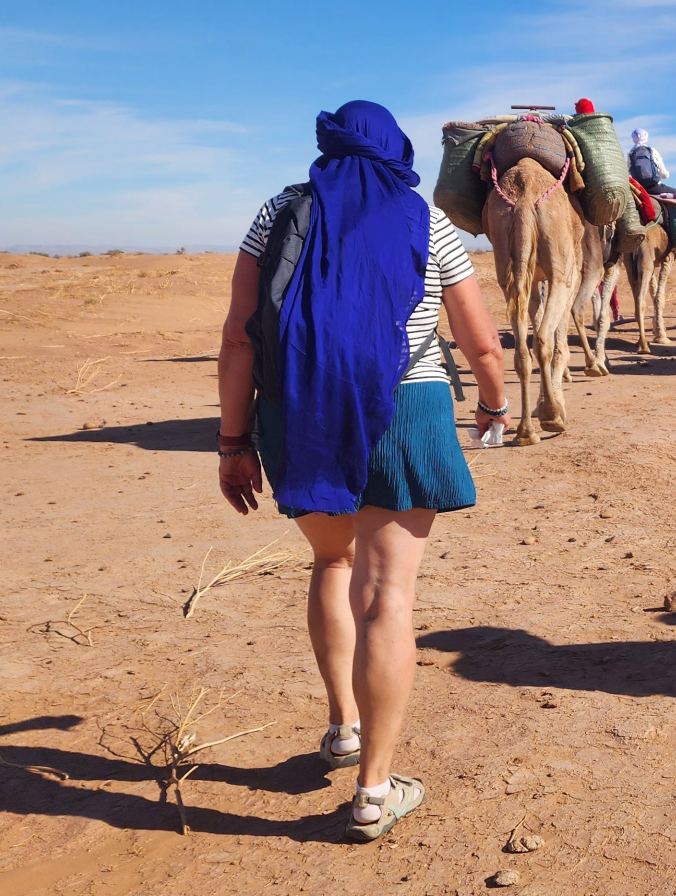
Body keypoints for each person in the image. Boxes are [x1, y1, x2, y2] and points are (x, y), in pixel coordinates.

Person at [216, 100, 510, 842]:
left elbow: (238, 341)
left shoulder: (279, 211)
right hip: (406, 409)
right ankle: (374, 790)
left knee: (330, 562)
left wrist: (232, 442)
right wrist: (494, 404)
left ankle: (342, 725)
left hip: (301, 409)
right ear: (394, 150)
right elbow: (479, 341)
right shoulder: (428, 219)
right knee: (389, 597)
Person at [628, 128, 676, 197]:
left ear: (633, 140)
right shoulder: (652, 151)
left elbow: (628, 172)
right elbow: (664, 175)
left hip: (639, 189)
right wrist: (667, 174)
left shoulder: (630, 154)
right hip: (655, 187)